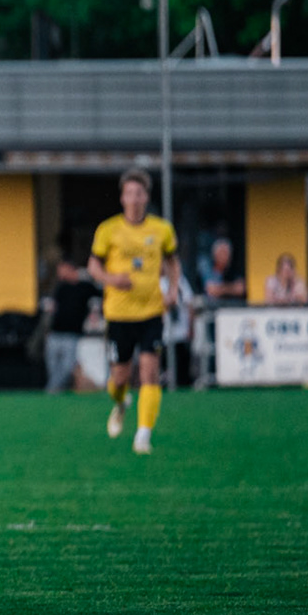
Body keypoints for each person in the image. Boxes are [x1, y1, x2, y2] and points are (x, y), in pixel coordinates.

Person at [89, 168, 179, 455]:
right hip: (118, 313)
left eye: (139, 193)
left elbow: (173, 262)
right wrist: (112, 279)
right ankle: (120, 401)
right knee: (119, 380)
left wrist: (173, 289)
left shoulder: (162, 229)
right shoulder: (108, 229)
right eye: (129, 193)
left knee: (150, 372)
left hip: (151, 311)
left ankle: (143, 435)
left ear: (147, 197)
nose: (134, 198)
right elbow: (93, 266)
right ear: (122, 197)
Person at [41, 257, 100, 394]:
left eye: (62, 270)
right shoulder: (61, 287)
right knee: (53, 368)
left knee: (67, 367)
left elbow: (100, 294)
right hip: (55, 334)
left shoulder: (85, 286)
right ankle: (56, 395)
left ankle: (50, 393)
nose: (60, 273)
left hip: (72, 335)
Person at [196, 237, 245, 304]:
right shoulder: (207, 270)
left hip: (228, 310)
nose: (225, 256)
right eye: (222, 253)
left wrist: (220, 289)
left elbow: (240, 289)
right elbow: (210, 290)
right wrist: (231, 288)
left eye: (227, 254)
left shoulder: (232, 272)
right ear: (214, 255)